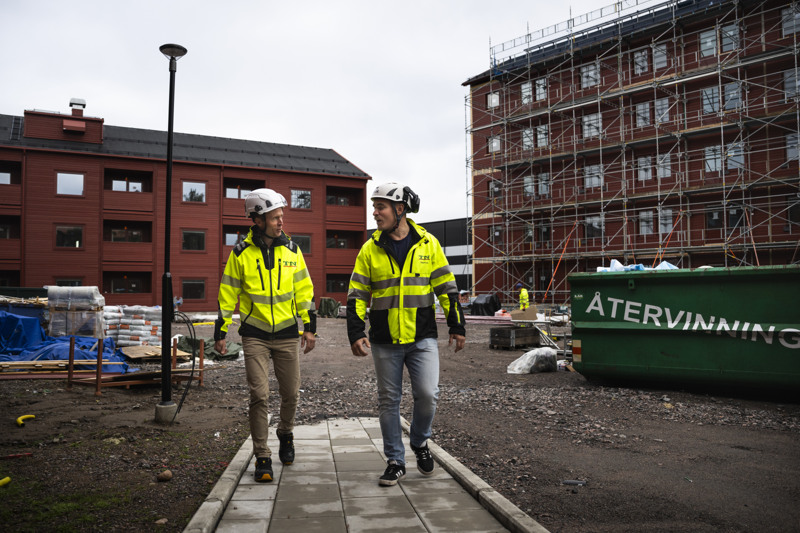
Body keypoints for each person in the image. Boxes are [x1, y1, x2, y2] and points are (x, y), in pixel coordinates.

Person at [347, 182, 466, 486]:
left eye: (380, 206)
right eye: (374, 207)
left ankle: (420, 441)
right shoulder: (369, 249)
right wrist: (355, 331)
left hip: (422, 337)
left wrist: (457, 325)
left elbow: (447, 290)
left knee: (428, 394)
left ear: (400, 209)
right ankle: (395, 460)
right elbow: (357, 294)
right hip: (385, 340)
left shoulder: (428, 245)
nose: (374, 213)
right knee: (389, 400)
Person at [214, 188, 316, 483]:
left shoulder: (293, 252)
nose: (281, 222)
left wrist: (309, 327)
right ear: (257, 220)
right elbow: (227, 294)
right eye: (275, 218)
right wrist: (220, 331)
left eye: (282, 216)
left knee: (291, 394)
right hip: (254, 334)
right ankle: (262, 455)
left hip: (286, 333)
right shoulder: (240, 254)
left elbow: (305, 292)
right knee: (259, 395)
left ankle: (285, 433)